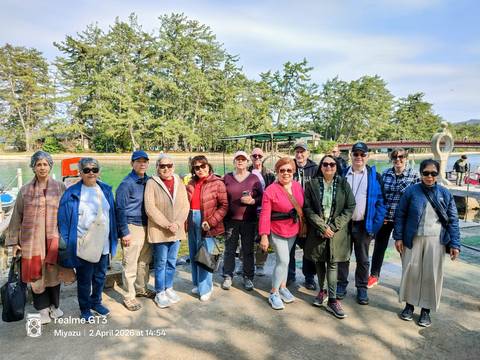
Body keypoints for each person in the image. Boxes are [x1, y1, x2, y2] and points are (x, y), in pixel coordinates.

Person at [394, 159, 460, 327]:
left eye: (433, 173)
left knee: (431, 275)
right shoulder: (411, 192)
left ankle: (426, 310)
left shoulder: (445, 193)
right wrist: (399, 237)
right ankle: (409, 306)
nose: (429, 177)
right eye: (426, 173)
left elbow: (453, 220)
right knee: (411, 272)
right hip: (413, 238)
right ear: (420, 173)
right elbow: (400, 215)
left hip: (436, 240)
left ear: (438, 174)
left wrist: (455, 244)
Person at [6, 151, 68, 324]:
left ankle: (55, 306)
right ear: (33, 167)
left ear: (50, 166)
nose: (42, 167)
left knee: (53, 273)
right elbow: (16, 216)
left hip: (53, 238)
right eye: (38, 164)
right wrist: (13, 242)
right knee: (36, 275)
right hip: (31, 242)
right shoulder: (25, 190)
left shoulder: (60, 187)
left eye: (45, 164)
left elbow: (67, 212)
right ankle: (42, 311)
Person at [58, 157, 118, 320]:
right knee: (85, 279)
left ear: (99, 172)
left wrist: (117, 235)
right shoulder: (72, 193)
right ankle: (85, 308)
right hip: (82, 243)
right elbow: (63, 221)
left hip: (103, 243)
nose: (91, 173)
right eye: (86, 170)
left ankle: (96, 302)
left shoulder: (105, 189)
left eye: (94, 169)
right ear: (80, 172)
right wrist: (68, 244)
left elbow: (112, 214)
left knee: (100, 276)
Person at [304, 155, 356, 319]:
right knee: (319, 262)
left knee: (332, 264)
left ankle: (332, 300)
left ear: (336, 166)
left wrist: (332, 227)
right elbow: (307, 208)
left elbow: (350, 207)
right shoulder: (311, 185)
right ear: (321, 167)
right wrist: (322, 226)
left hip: (336, 232)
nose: (328, 167)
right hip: (317, 230)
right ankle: (323, 291)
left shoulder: (343, 184)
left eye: (332, 164)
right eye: (325, 164)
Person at [337, 142, 386, 305]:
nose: (359, 157)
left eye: (362, 154)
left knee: (363, 259)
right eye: (356, 154)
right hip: (344, 225)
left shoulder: (374, 176)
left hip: (363, 225)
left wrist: (375, 225)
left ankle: (362, 288)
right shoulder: (343, 174)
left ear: (367, 156)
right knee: (343, 257)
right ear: (350, 155)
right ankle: (341, 285)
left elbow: (381, 202)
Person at [368, 148, 419, 289]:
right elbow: (379, 196)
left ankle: (407, 279)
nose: (398, 159)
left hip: (402, 219)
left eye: (401, 157)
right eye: (395, 157)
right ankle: (374, 275)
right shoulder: (386, 174)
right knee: (379, 247)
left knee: (404, 248)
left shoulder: (414, 176)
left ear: (406, 158)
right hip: (385, 217)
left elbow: (415, 200)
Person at [144, 154, 189, 308]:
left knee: (171, 261)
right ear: (157, 167)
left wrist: (177, 223)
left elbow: (185, 205)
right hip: (160, 230)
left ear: (173, 167)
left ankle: (169, 287)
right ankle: (159, 291)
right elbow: (150, 208)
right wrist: (166, 224)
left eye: (169, 165)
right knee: (161, 262)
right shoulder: (151, 182)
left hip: (176, 230)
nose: (166, 169)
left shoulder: (178, 181)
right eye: (162, 166)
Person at [259, 157, 304, 310]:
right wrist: (264, 235)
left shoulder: (298, 187)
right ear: (277, 172)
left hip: (292, 229)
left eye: (289, 170)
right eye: (282, 170)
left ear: (294, 172)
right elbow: (265, 214)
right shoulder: (270, 190)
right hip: (276, 230)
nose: (286, 173)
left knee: (285, 260)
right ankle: (274, 292)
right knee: (283, 261)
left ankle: (283, 287)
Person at [115, 150, 154, 311]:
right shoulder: (126, 184)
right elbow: (119, 209)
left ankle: (141, 288)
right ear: (132, 163)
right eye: (138, 161)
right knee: (130, 264)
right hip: (132, 227)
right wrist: (124, 232)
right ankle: (129, 297)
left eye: (145, 161)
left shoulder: (149, 181)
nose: (142, 164)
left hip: (147, 226)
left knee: (144, 262)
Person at [186, 155, 228, 301]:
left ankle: (206, 288)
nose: (200, 170)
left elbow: (224, 206)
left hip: (207, 222)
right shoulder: (191, 183)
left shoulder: (218, 183)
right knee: (193, 254)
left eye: (203, 166)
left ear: (208, 166)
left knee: (205, 256)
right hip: (192, 220)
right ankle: (197, 283)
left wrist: (211, 222)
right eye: (196, 167)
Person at [222, 151, 263, 291]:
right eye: (237, 159)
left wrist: (253, 201)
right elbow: (221, 197)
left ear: (247, 162)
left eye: (243, 159)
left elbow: (262, 199)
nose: (240, 162)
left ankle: (248, 277)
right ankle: (228, 275)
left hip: (249, 220)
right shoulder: (227, 177)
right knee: (229, 249)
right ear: (234, 162)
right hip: (230, 220)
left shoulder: (254, 179)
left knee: (248, 250)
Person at [288, 142, 318, 290]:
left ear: (308, 153)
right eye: (297, 152)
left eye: (302, 152)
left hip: (308, 215)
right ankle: (289, 275)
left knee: (308, 248)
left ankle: (309, 277)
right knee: (290, 247)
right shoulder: (289, 167)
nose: (299, 155)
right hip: (291, 215)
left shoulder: (315, 169)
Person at [248, 147, 275, 276]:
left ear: (263, 157)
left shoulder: (269, 174)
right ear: (251, 157)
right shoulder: (245, 171)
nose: (257, 158)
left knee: (263, 238)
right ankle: (243, 262)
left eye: (259, 156)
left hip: (264, 211)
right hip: (248, 210)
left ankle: (260, 264)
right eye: (255, 156)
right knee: (246, 237)